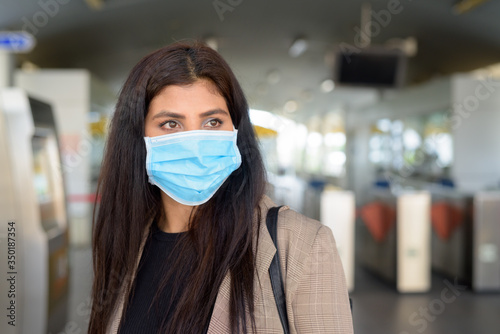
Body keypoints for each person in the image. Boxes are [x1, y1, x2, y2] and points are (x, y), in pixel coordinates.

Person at [88, 41, 353, 334]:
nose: (196, 143)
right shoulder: (125, 241)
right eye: (171, 124)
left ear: (236, 131)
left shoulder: (303, 245)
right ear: (137, 138)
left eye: (213, 122)